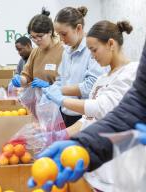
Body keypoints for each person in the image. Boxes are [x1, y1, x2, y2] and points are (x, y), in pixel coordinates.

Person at [28, 27, 146, 192]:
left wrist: (62, 99)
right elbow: (91, 118)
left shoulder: (131, 72)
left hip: (118, 171)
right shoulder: (101, 79)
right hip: (99, 168)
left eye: (94, 50)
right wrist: (74, 139)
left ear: (110, 44)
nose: (92, 55)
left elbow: (101, 108)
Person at [42, 6, 106, 127]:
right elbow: (61, 78)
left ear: (78, 28)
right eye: (58, 35)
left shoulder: (92, 50)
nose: (61, 39)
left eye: (64, 34)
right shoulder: (67, 51)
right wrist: (52, 89)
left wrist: (60, 91)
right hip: (66, 112)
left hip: (85, 115)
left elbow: (92, 85)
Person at [11, 8, 63, 88]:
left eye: (40, 36)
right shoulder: (35, 52)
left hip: (58, 99)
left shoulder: (63, 51)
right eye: (33, 37)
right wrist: (20, 79)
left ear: (50, 32)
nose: (36, 41)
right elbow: (27, 76)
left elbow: (69, 83)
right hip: (39, 99)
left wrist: (49, 86)